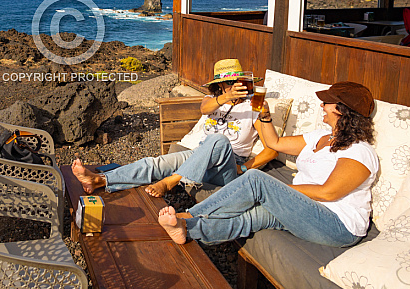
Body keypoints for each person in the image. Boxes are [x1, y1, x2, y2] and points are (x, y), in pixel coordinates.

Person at [158, 81, 378, 248]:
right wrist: (264, 117)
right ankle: (188, 230)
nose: (322, 105)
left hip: (336, 224)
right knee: (251, 218)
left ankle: (187, 215)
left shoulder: (359, 151)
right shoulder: (319, 136)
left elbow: (328, 193)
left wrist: (278, 192)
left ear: (341, 109)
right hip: (304, 209)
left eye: (327, 102)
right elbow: (275, 143)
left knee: (256, 179)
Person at [72, 58, 276, 197]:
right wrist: (226, 98)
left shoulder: (253, 106)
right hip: (199, 155)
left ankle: (171, 181)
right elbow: (205, 108)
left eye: (236, 81)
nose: (233, 86)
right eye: (229, 82)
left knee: (218, 140)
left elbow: (271, 150)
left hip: (227, 166)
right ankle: (99, 180)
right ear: (220, 86)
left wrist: (242, 168)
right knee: (154, 163)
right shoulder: (212, 100)